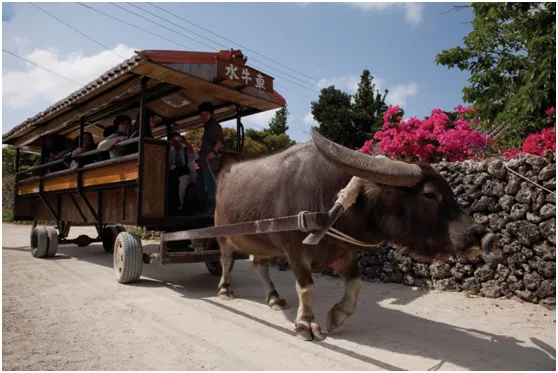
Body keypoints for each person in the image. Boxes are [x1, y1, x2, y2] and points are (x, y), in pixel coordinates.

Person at [196, 102, 224, 216]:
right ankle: (205, 210)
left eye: (205, 114)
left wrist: (213, 152)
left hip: (210, 162)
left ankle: (213, 212)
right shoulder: (207, 126)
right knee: (200, 185)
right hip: (204, 163)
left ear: (211, 114)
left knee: (210, 186)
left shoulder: (213, 125)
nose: (203, 117)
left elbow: (220, 141)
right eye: (201, 114)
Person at [168, 132, 198, 214]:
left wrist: (186, 143)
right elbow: (170, 164)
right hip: (175, 174)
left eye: (177, 139)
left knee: (181, 183)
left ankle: (180, 207)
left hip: (187, 174)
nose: (176, 142)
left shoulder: (185, 149)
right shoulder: (172, 152)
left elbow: (193, 155)